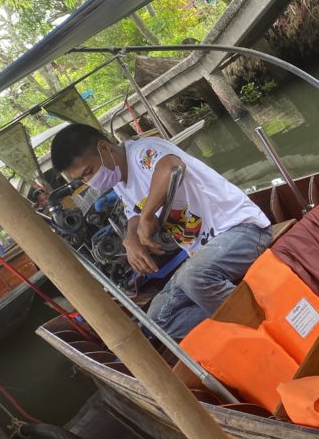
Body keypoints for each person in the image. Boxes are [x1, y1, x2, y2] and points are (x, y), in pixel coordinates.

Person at [50, 123, 272, 340]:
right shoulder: (120, 180)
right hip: (204, 250)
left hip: (242, 229)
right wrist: (130, 240)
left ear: (105, 148)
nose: (90, 181)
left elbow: (172, 167)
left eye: (89, 172)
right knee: (158, 320)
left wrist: (148, 215)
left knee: (194, 277)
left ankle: (263, 324)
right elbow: (132, 214)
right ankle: (238, 317)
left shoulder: (144, 151)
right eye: (82, 179)